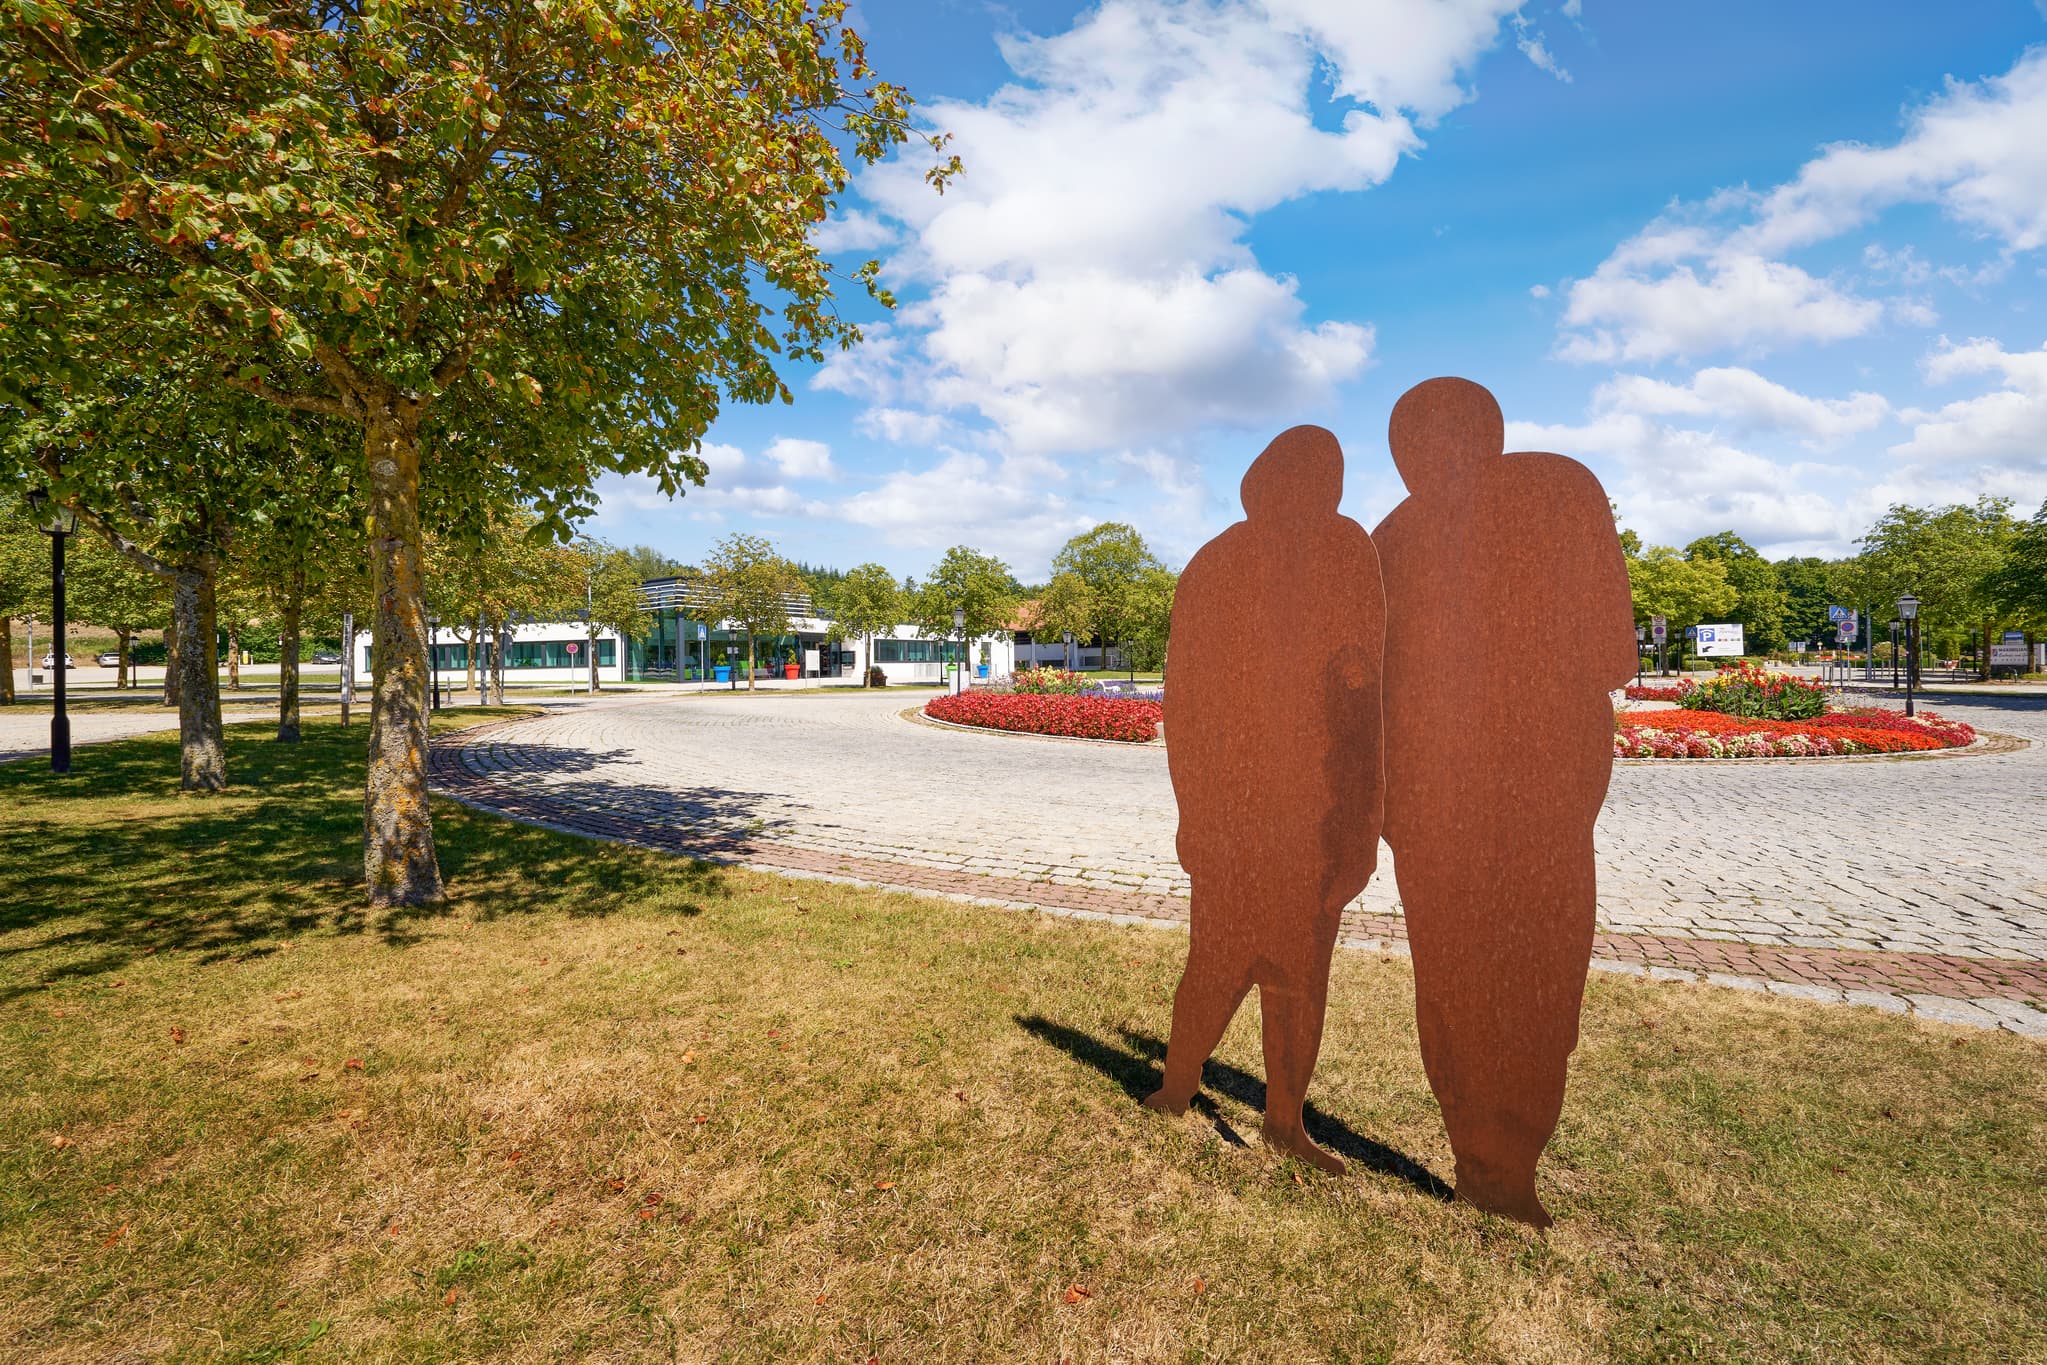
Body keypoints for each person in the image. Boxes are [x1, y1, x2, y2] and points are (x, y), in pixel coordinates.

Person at [1372, 377, 1635, 1225]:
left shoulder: (1399, 533)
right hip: (1506, 794)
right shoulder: (1556, 489)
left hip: (1472, 798)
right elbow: (1612, 653)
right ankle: (1497, 1161)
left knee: (1464, 973)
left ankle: (1489, 1157)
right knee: (1520, 974)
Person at [1143, 425, 1386, 1174]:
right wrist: (1194, 808)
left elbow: (1369, 698)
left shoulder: (1348, 552)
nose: (1315, 495)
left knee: (1300, 972)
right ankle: (1178, 1085)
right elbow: (1184, 704)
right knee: (1215, 955)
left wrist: (1358, 822)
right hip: (1232, 804)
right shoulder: (1217, 564)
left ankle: (1285, 1118)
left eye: (1327, 480)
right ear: (1262, 484)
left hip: (1314, 808)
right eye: (1299, 479)